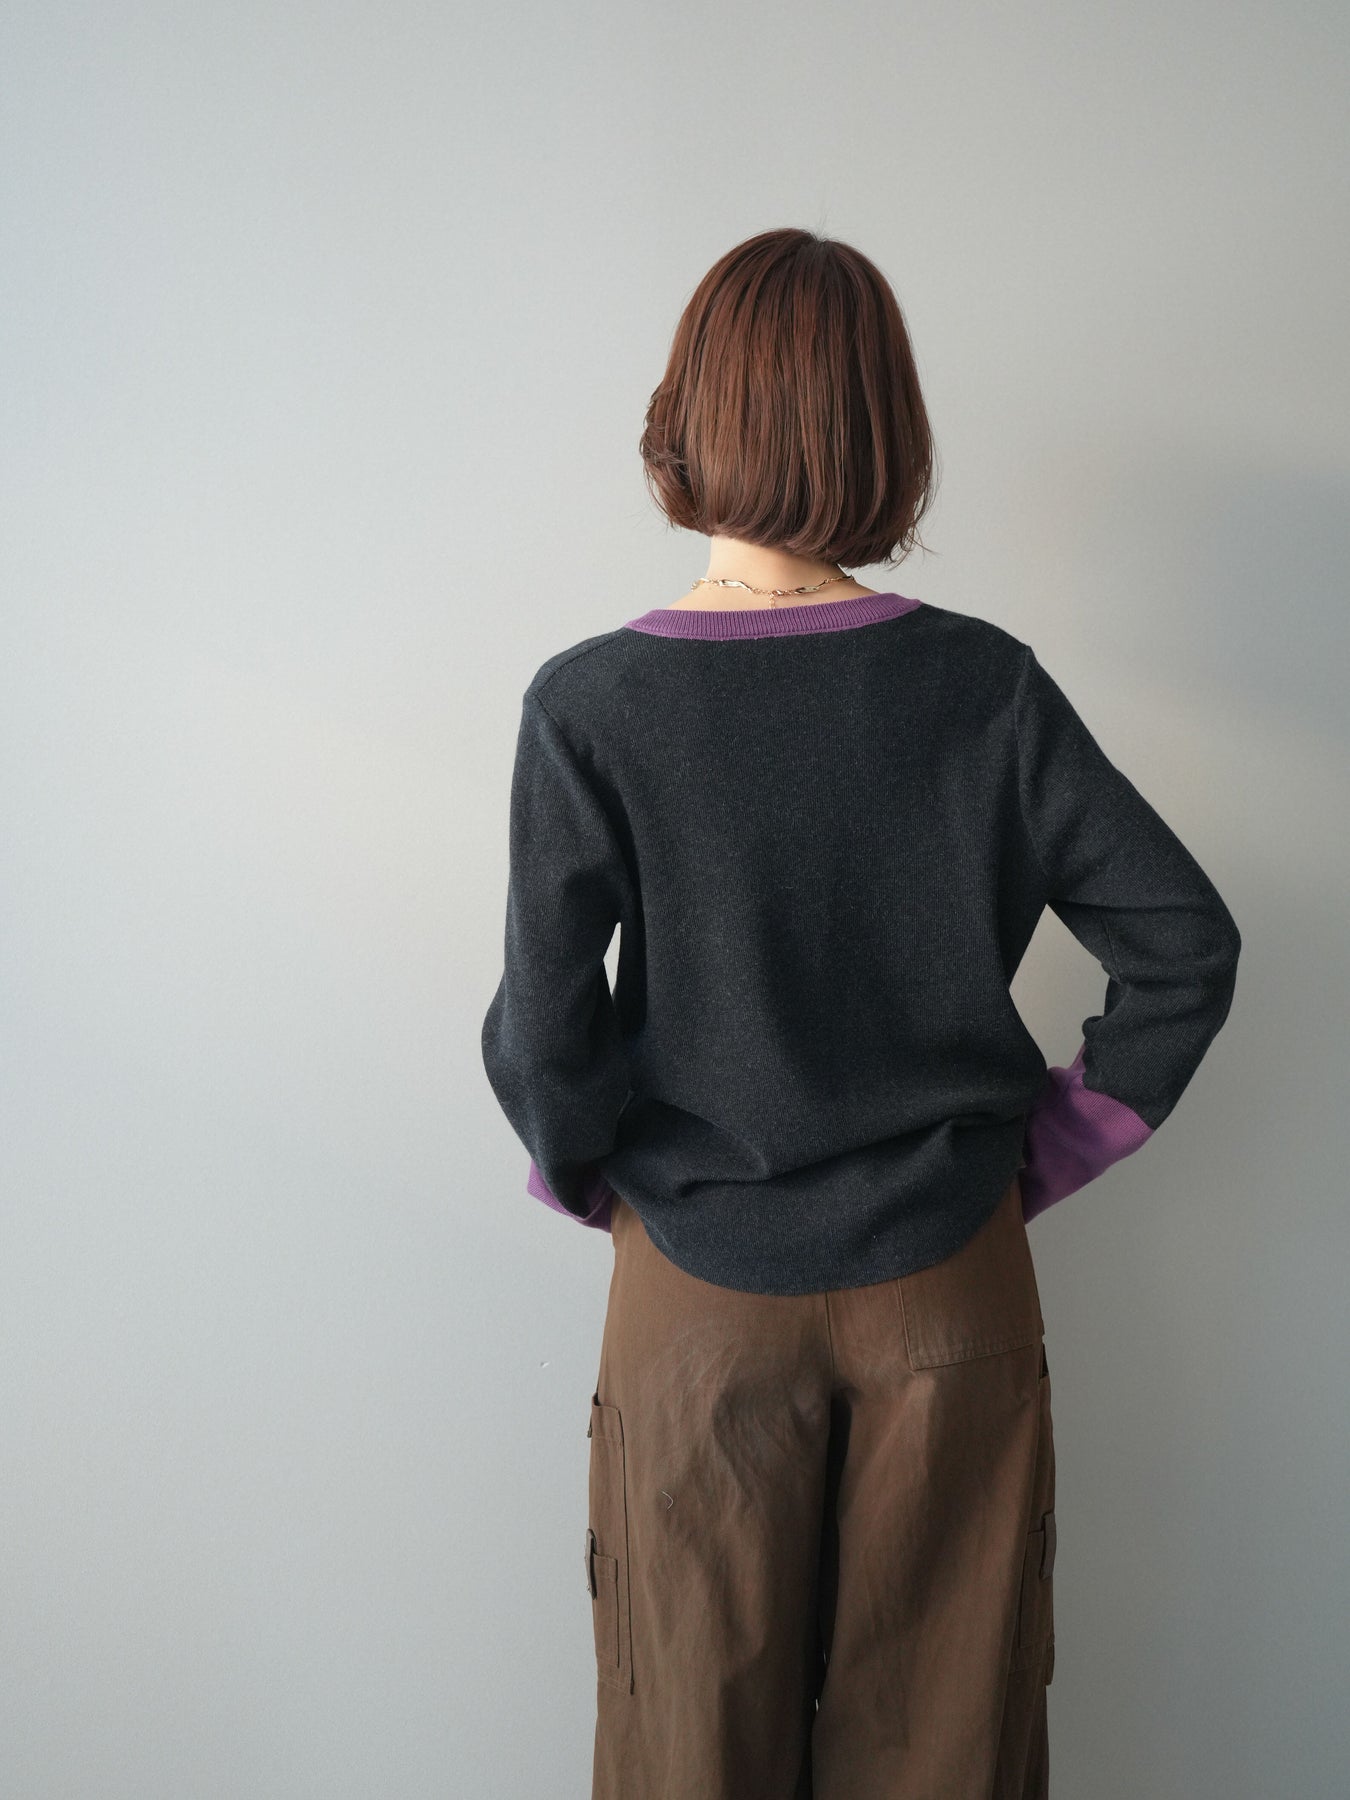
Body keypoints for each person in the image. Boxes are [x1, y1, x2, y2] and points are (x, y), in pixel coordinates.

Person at [480, 227, 1241, 1800]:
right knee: (944, 1749)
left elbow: (546, 1023)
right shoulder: (983, 687)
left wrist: (595, 1174)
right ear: (887, 433)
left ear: (683, 419)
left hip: (698, 1281)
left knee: (688, 1745)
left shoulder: (591, 704)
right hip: (947, 1272)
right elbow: (1180, 946)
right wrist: (1043, 1150)